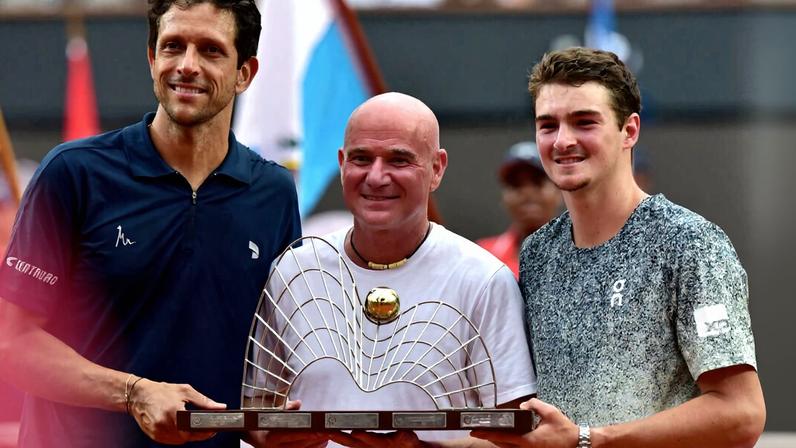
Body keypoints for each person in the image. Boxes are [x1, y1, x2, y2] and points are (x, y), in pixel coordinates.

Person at [0, 1, 301, 446]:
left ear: (245, 73)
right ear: (151, 57)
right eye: (173, 46)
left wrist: (265, 423)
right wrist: (132, 392)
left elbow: (268, 364)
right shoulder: (72, 173)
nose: (187, 65)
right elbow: (12, 344)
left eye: (211, 51)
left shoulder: (274, 192)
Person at [473, 47, 765, 448]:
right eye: (547, 125)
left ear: (629, 130)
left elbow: (741, 414)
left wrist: (589, 440)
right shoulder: (539, 253)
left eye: (584, 122)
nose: (562, 141)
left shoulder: (690, 244)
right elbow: (541, 433)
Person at [249, 92, 536, 448]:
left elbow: (518, 438)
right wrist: (273, 438)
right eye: (361, 158)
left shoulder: (483, 280)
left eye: (399, 160)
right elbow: (256, 411)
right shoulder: (293, 270)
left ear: (437, 168)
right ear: (341, 164)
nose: (376, 176)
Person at [477, 141, 561, 279]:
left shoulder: (580, 253)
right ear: (503, 198)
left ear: (559, 192)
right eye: (516, 185)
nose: (527, 193)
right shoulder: (483, 256)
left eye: (537, 182)